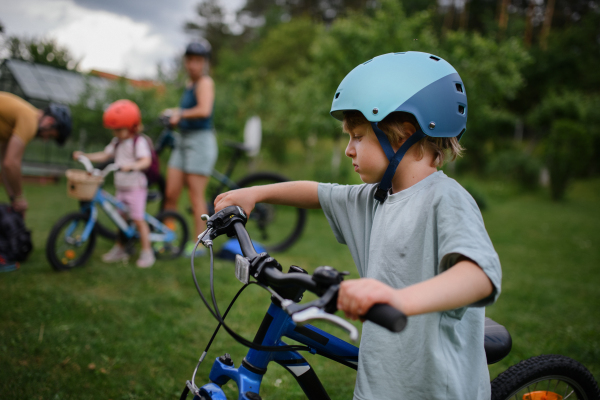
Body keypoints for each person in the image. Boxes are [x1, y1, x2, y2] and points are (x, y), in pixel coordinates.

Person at [214, 52, 502, 399]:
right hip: (380, 386)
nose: (349, 149)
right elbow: (319, 193)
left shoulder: (445, 199)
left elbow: (479, 276)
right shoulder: (376, 197)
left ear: (402, 135)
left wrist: (398, 299)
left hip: (433, 389)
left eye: (358, 136)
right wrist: (255, 193)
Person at [73, 99, 155, 268]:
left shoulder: (138, 142)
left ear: (132, 126)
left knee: (138, 219)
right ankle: (120, 248)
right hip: (121, 187)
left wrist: (132, 165)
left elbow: (146, 160)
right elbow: (105, 155)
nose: (116, 133)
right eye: (114, 130)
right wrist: (85, 156)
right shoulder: (117, 142)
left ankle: (147, 252)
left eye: (119, 129)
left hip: (135, 187)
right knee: (121, 220)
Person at [164, 39, 217, 256]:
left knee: (196, 197)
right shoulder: (189, 84)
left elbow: (204, 110)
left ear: (204, 63)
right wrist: (172, 112)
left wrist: (180, 114)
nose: (193, 65)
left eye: (198, 60)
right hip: (183, 140)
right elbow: (188, 109)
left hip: (200, 142)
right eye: (190, 60)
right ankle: (167, 237)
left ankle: (200, 245)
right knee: (171, 193)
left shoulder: (205, 82)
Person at [0, 91, 72, 216]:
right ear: (49, 121)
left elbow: (5, 164)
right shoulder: (30, 120)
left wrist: (14, 199)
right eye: (49, 135)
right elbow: (11, 163)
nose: (45, 139)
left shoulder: (14, 121)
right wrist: (20, 197)